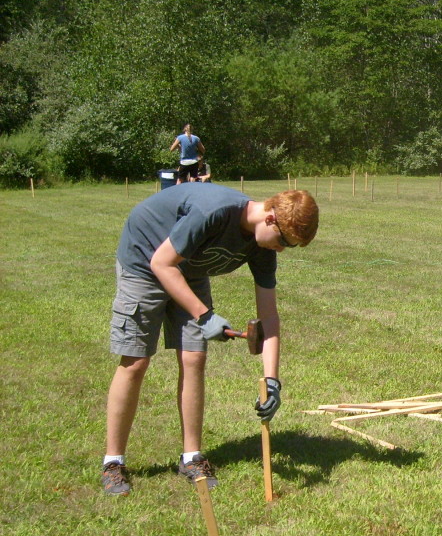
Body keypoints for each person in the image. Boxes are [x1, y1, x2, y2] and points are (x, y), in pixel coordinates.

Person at [100, 184, 319, 496]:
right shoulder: (214, 212)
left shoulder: (263, 247)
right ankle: (113, 462)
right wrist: (204, 316)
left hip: (189, 268)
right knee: (136, 361)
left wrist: (272, 382)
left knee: (194, 358)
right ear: (270, 218)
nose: (283, 249)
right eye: (284, 241)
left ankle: (191, 457)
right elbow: (161, 263)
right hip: (146, 258)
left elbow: (268, 318)